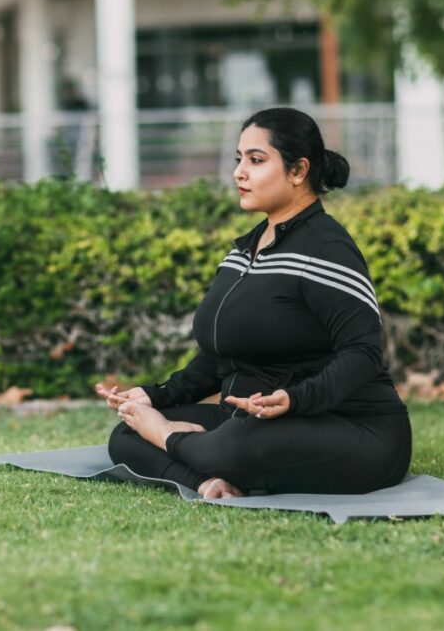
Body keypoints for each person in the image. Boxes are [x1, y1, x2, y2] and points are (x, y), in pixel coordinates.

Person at [95, 107, 411, 500]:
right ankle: (209, 482)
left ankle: (173, 440)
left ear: (298, 171)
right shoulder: (244, 250)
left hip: (353, 429)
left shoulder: (327, 249)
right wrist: (154, 396)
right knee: (126, 432)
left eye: (256, 160)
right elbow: (219, 359)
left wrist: (297, 398)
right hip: (252, 420)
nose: (239, 172)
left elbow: (363, 354)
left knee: (227, 444)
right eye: (239, 159)